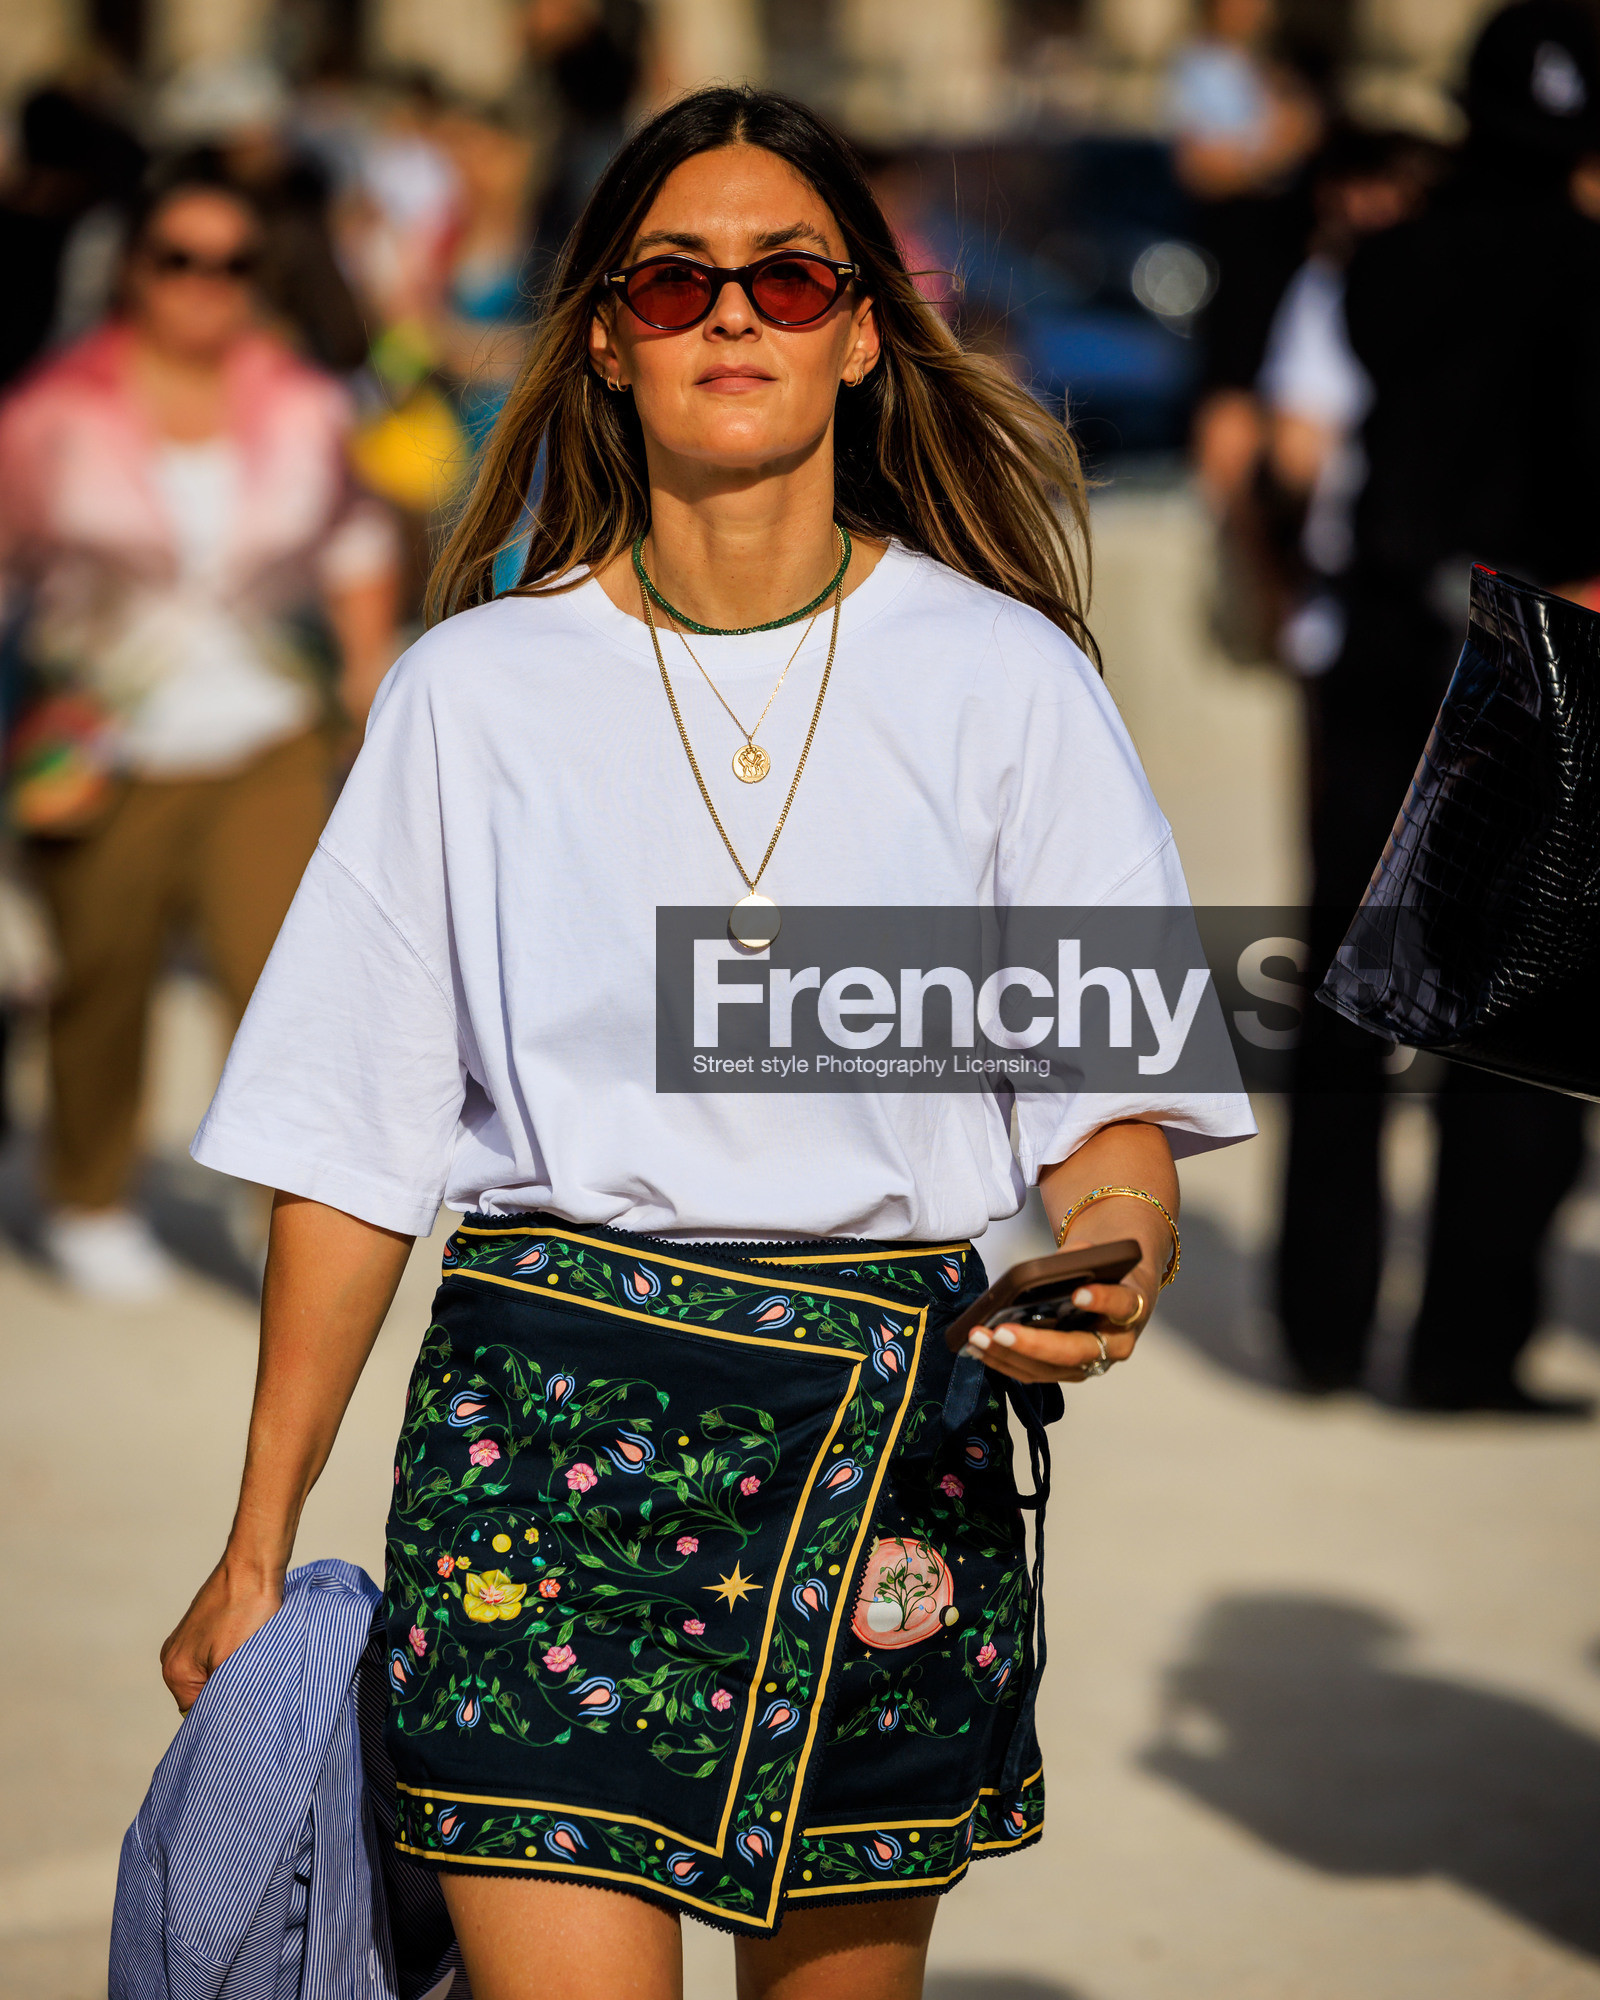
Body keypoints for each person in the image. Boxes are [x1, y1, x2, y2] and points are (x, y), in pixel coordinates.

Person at [161, 86, 1253, 1998]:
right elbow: (353, 1143)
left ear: (856, 329)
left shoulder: (1007, 682)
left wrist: (1116, 1260)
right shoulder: (471, 696)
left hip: (888, 1448)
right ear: (605, 336)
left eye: (787, 273)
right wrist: (260, 1538)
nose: (730, 313)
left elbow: (1110, 1117)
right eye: (675, 281)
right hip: (536, 1456)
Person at [1276, 0, 1600, 1415]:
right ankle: (1464, 1345)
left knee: (1348, 999)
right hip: (1535, 657)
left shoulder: (1381, 262)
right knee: (1516, 1020)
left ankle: (1319, 1327)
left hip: (1386, 659)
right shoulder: (1589, 274)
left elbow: (1323, 453)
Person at [0, 154, 399, 1300]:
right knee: (101, 977)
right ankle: (87, 1190)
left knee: (286, 983)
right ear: (133, 269)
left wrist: (369, 672)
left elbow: (357, 542)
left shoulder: (309, 401)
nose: (205, 284)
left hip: (265, 732)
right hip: (99, 735)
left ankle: (283, 1204)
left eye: (233, 263)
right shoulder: (50, 412)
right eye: (179, 259)